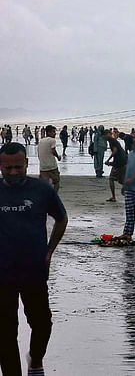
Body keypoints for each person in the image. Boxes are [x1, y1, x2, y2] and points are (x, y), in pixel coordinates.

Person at [0, 142, 68, 376]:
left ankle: (35, 360)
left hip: (34, 269)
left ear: (27, 164)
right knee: (5, 332)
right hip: (2, 273)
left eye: (18, 167)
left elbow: (61, 219)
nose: (13, 173)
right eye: (7, 168)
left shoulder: (41, 190)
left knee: (41, 324)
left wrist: (49, 251)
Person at [103, 129, 127, 202]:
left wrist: (108, 160)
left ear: (108, 134)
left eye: (105, 135)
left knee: (111, 178)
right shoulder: (113, 140)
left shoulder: (112, 141)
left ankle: (114, 197)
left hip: (119, 162)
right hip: (124, 161)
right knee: (121, 179)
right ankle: (126, 188)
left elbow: (115, 151)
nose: (104, 137)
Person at [37, 125, 61, 192]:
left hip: (43, 167)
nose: (55, 133)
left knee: (44, 184)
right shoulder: (52, 140)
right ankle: (54, 195)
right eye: (53, 132)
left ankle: (45, 196)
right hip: (52, 166)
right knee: (56, 182)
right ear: (49, 133)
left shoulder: (41, 141)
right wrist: (58, 157)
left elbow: (38, 154)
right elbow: (53, 150)